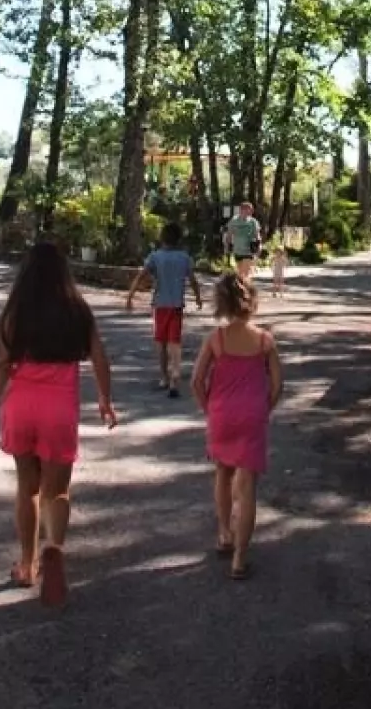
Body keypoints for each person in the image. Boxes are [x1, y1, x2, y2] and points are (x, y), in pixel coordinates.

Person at [0, 240, 117, 607]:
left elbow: (0, 367)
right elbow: (100, 357)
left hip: (21, 408)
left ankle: (27, 564)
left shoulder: (16, 312)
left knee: (27, 488)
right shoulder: (77, 310)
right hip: (59, 411)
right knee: (57, 491)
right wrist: (105, 399)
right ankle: (54, 549)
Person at [191, 272, 283, 581]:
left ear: (222, 303)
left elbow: (196, 381)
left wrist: (209, 410)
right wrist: (264, 409)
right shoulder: (264, 340)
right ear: (252, 302)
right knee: (248, 487)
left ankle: (224, 533)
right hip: (252, 415)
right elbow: (277, 384)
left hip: (221, 414)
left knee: (222, 472)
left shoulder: (215, 339)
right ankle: (240, 560)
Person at [126, 221, 202, 398]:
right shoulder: (184, 258)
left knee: (160, 341)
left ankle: (164, 377)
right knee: (175, 342)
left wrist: (130, 296)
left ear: (162, 238)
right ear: (179, 239)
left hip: (160, 305)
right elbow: (193, 280)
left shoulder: (155, 257)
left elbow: (141, 276)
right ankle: (175, 376)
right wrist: (198, 297)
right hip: (177, 305)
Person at [227, 201, 261, 278]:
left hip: (249, 251)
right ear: (241, 210)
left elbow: (257, 236)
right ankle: (244, 284)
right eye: (249, 210)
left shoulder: (253, 222)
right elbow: (229, 235)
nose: (251, 212)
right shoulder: (234, 221)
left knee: (245, 273)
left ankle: (245, 284)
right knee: (240, 274)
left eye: (251, 210)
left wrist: (259, 246)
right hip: (237, 250)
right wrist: (228, 247)